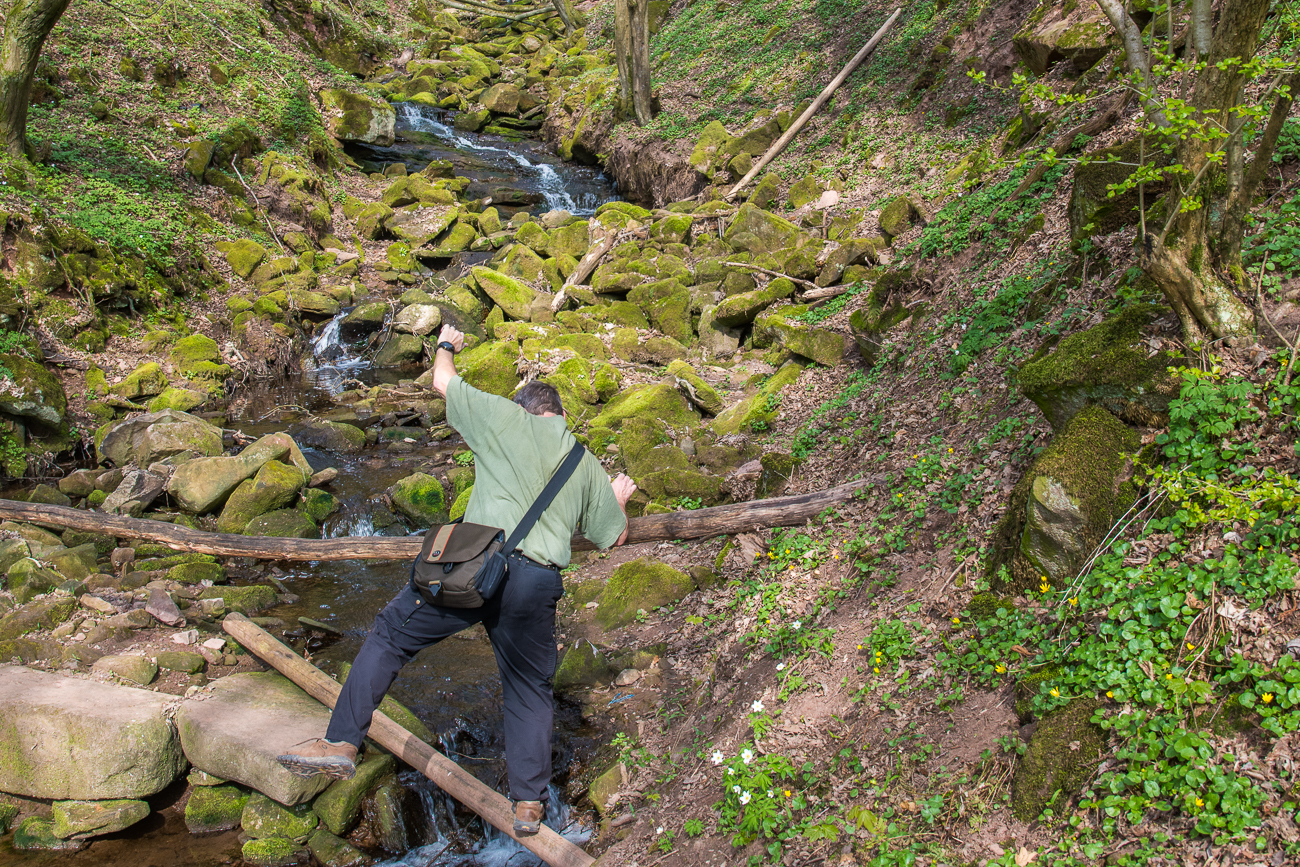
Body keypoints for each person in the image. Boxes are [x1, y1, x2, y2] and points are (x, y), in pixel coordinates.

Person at [277, 323, 637, 836]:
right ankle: (530, 805)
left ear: (524, 406)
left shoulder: (503, 417)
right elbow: (614, 538)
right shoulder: (584, 461)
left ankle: (340, 744)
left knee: (388, 636)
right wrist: (617, 498)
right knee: (529, 688)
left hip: (472, 573)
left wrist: (447, 343)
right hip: (536, 585)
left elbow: (442, 381)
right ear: (558, 414)